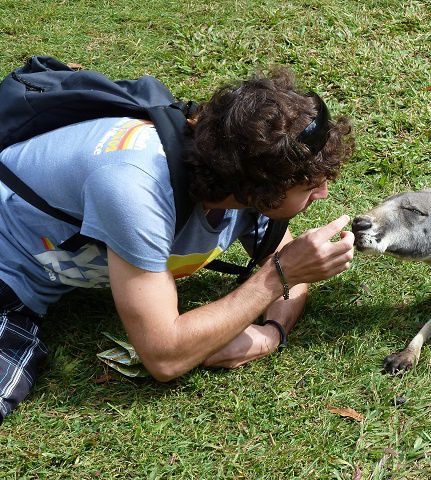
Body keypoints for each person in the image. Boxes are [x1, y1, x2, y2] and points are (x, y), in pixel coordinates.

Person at [0, 66, 355, 422]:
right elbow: (164, 356)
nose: (323, 194)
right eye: (310, 187)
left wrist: (271, 333)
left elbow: (287, 256)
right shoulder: (135, 188)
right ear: (260, 189)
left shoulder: (239, 164)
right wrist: (278, 278)